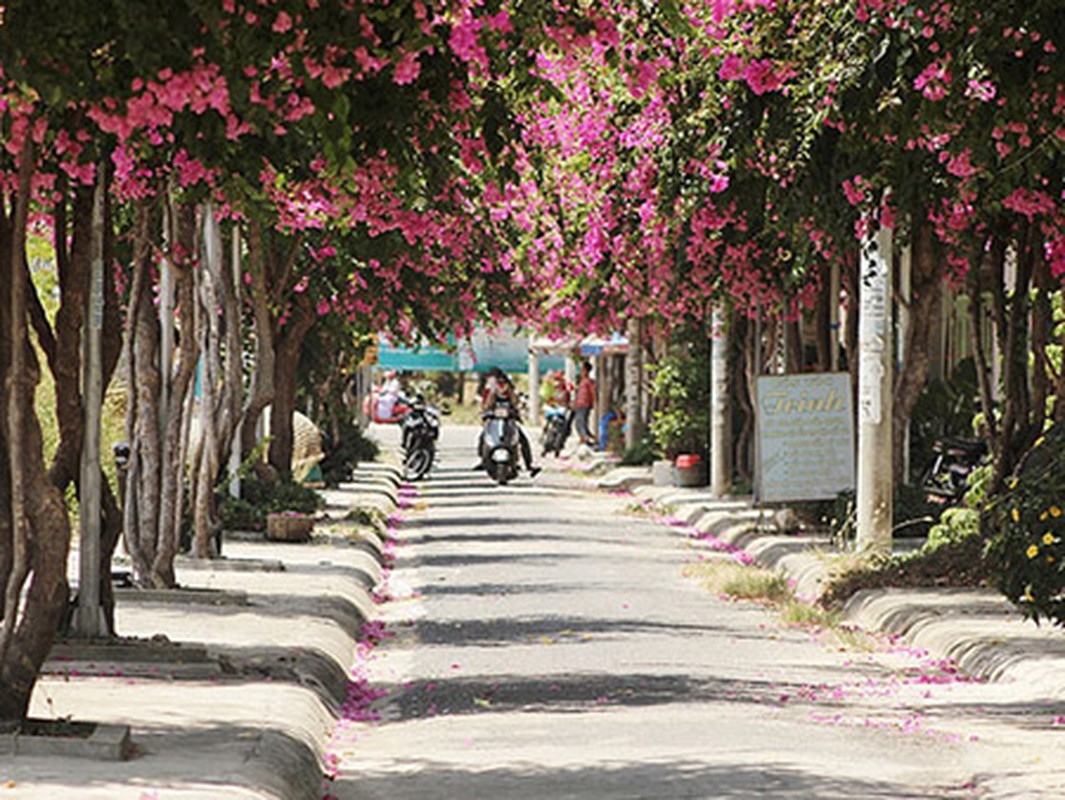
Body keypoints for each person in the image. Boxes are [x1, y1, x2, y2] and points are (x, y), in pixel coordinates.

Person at [475, 368, 540, 477]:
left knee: (523, 439)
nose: (500, 385)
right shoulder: (490, 391)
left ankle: (529, 464)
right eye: (498, 382)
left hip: (509, 420)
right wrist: (492, 393)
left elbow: (516, 403)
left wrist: (510, 394)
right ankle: (483, 459)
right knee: (483, 436)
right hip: (494, 420)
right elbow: (486, 405)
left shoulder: (510, 390)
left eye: (502, 382)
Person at [573, 361, 596, 446]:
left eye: (583, 369)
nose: (581, 371)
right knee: (579, 422)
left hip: (585, 404)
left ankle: (585, 438)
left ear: (586, 370)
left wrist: (594, 402)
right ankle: (584, 437)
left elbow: (592, 392)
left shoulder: (589, 381)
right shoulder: (582, 381)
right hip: (580, 404)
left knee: (581, 422)